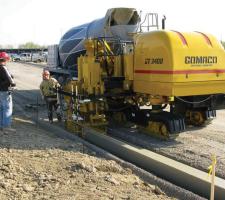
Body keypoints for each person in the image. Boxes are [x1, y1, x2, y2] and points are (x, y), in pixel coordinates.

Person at [0, 52, 16, 132]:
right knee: (7, 108)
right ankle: (6, 126)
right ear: (5, 59)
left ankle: (1, 125)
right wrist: (13, 84)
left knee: (1, 108)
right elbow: (10, 80)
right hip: (4, 91)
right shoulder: (3, 67)